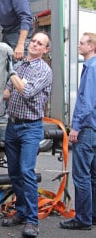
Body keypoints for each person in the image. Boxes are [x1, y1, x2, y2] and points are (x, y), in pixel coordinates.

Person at [1, 31, 52, 237]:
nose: (35, 45)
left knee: (26, 173)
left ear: (45, 49)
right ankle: (21, 212)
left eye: (40, 44)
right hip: (12, 126)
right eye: (33, 41)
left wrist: (10, 71)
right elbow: (7, 93)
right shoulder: (20, 66)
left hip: (30, 128)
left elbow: (26, 91)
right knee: (14, 173)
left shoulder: (43, 70)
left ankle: (32, 221)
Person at [59, 32, 96, 231]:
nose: (78, 45)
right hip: (95, 128)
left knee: (81, 176)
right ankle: (92, 215)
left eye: (81, 43)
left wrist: (76, 127)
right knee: (93, 176)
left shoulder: (90, 69)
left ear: (91, 47)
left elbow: (87, 102)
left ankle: (82, 219)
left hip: (88, 128)